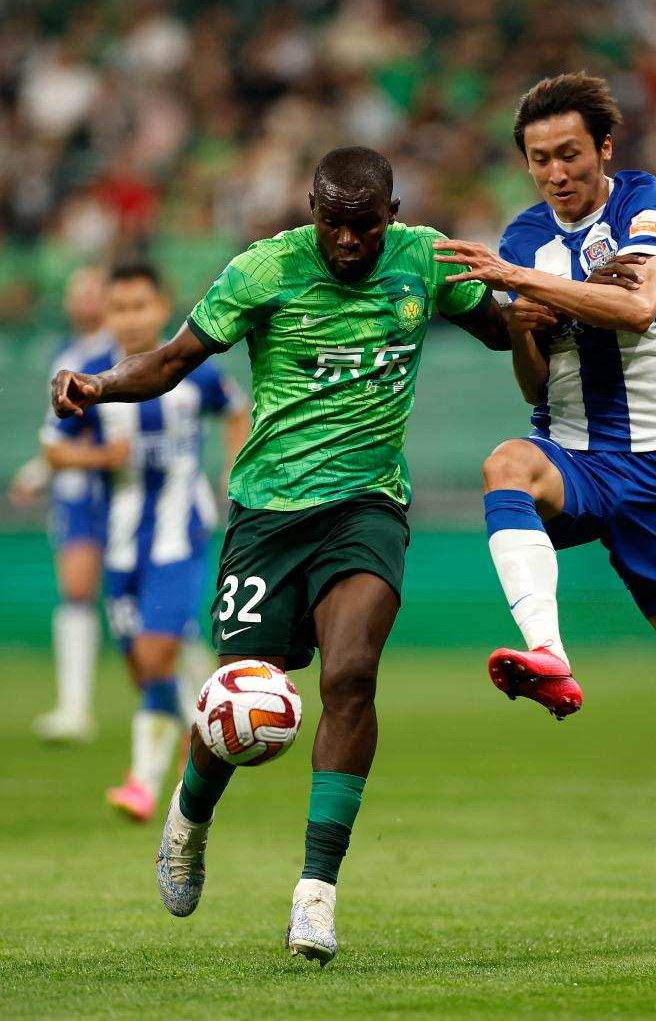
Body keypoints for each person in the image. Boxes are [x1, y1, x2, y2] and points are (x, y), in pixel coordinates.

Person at [50, 146, 510, 965]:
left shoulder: (425, 261)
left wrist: (566, 305)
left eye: (364, 226)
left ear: (392, 215)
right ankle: (188, 820)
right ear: (311, 211)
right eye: (332, 224)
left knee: (350, 676)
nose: (347, 241)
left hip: (366, 505)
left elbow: (507, 332)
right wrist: (100, 386)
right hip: (267, 514)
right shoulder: (264, 269)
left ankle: (315, 894)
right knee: (238, 702)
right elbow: (174, 360)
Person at [433, 72, 656, 782]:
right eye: (539, 159)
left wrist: (519, 282)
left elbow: (639, 308)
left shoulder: (641, 201)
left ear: (604, 148)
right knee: (505, 465)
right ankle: (549, 654)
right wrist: (521, 329)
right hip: (573, 454)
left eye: (569, 154)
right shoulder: (524, 239)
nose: (555, 173)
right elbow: (533, 382)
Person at [43, 262, 249, 821]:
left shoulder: (194, 372)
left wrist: (233, 468)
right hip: (120, 542)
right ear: (105, 314)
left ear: (163, 308)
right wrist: (97, 456)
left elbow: (236, 409)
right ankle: (199, 734)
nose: (130, 318)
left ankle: (143, 784)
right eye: (119, 308)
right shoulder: (91, 377)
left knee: (156, 655)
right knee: (143, 669)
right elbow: (54, 448)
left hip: (179, 536)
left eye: (140, 306)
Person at [10, 266, 113, 742]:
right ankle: (74, 707)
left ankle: (192, 700)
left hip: (122, 488)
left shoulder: (121, 353)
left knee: (148, 605)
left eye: (93, 290)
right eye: (77, 291)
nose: (84, 299)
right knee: (76, 591)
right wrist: (39, 470)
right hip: (77, 491)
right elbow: (60, 434)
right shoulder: (67, 355)